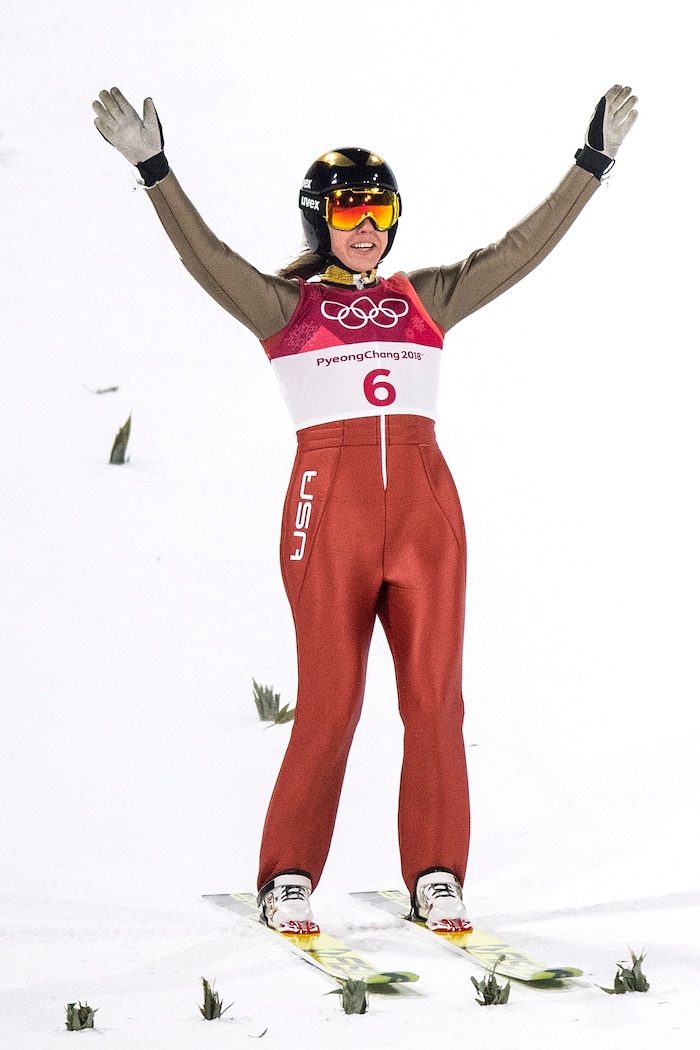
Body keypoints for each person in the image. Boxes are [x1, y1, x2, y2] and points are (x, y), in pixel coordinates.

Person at [92, 83, 638, 937]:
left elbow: (519, 250)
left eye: (380, 210)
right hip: (329, 516)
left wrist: (591, 163)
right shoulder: (289, 310)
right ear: (319, 222)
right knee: (332, 702)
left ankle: (435, 875)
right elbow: (209, 257)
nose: (368, 226)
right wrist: (154, 168)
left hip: (427, 517)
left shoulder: (424, 299)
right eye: (349, 211)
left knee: (435, 703)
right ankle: (288, 879)